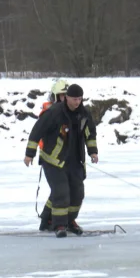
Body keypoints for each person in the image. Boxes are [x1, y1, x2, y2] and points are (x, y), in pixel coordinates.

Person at [24, 83, 98, 237]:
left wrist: (93, 152)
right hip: (52, 160)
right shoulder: (54, 113)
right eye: (73, 98)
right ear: (67, 98)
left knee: (77, 193)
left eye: (79, 99)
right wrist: (29, 153)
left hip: (75, 161)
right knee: (61, 192)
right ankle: (59, 225)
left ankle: (68, 221)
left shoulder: (84, 114)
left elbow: (90, 134)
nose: (77, 102)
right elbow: (37, 131)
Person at [35, 79, 70, 229]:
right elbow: (40, 136)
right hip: (50, 158)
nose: (65, 99)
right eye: (63, 96)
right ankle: (55, 222)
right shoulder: (49, 114)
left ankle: (46, 218)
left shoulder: (69, 112)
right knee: (59, 190)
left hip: (64, 158)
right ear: (56, 97)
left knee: (61, 190)